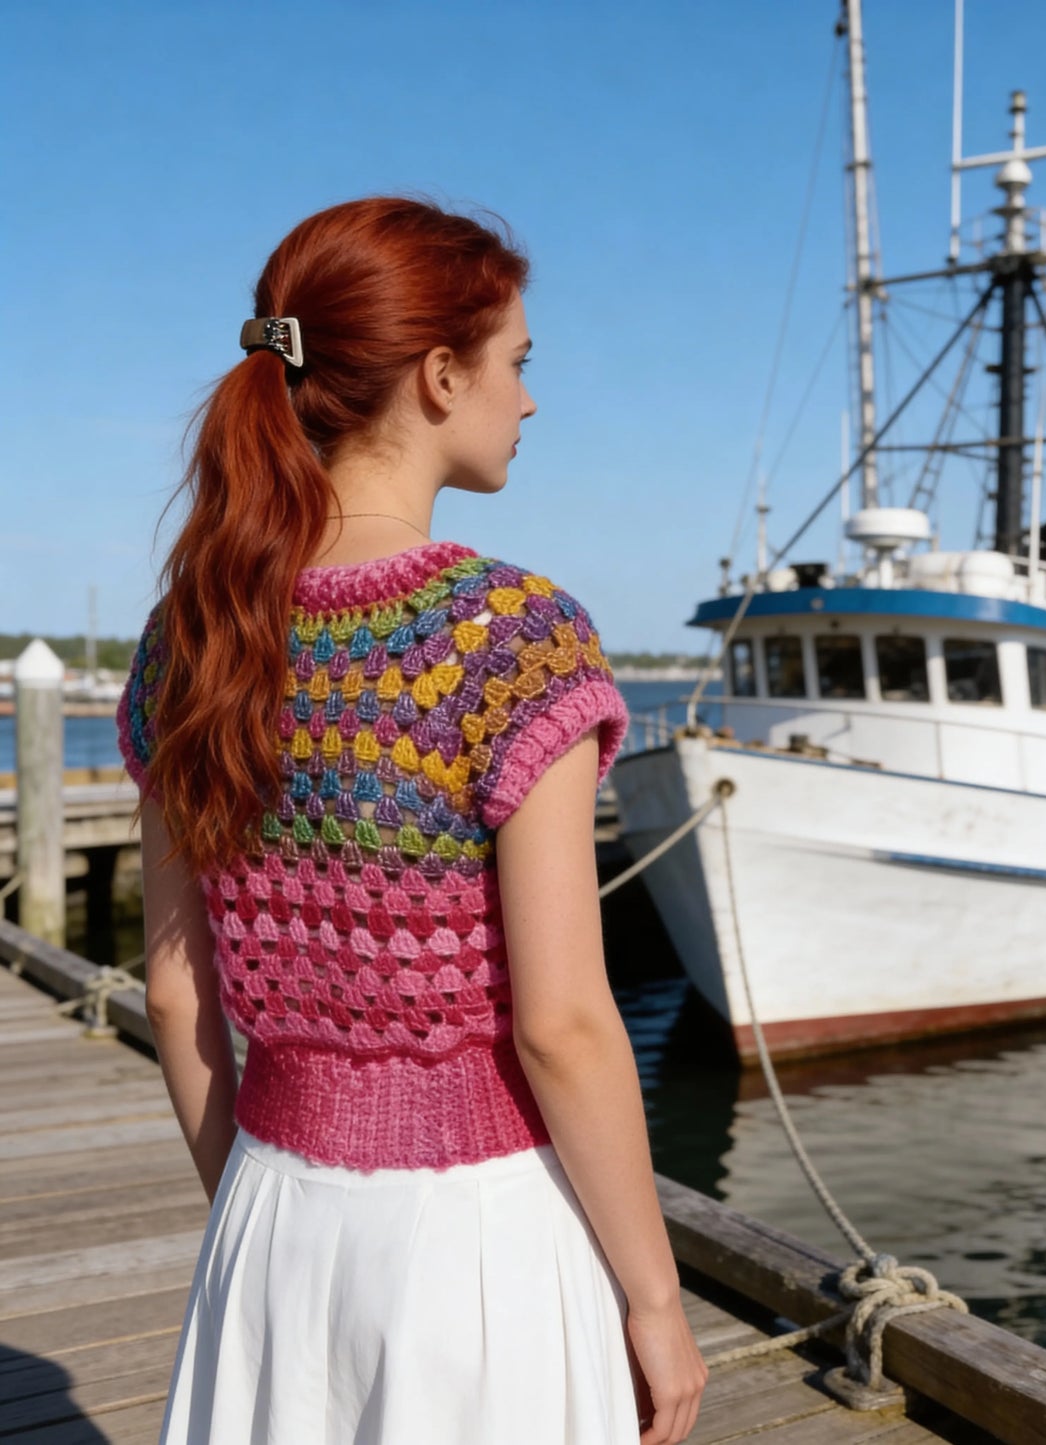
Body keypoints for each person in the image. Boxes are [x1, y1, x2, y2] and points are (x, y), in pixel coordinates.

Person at [117, 196, 707, 1444]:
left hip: (269, 1206)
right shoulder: (508, 637)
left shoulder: (193, 631)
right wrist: (655, 1299)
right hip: (476, 1238)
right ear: (441, 375)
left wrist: (254, 1201)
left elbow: (176, 997)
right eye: (518, 363)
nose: (530, 399)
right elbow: (561, 1024)